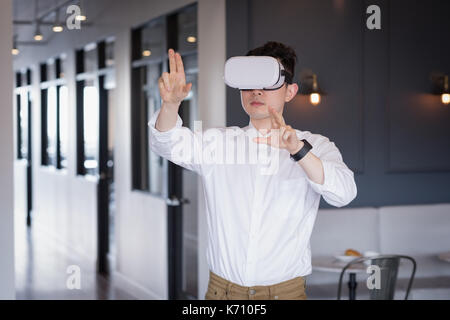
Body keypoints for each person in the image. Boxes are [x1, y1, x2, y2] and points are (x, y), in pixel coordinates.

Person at [148, 41, 357, 300]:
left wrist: (298, 151)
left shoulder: (318, 146)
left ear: (290, 91)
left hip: (286, 294)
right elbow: (166, 143)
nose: (256, 90)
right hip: (222, 294)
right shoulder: (218, 143)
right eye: (249, 81)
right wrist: (170, 105)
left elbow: (344, 193)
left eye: (268, 82)